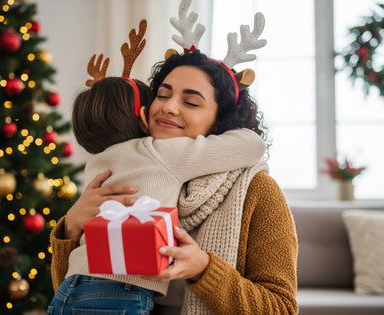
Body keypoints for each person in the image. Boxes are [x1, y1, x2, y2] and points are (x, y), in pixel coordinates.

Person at [50, 50, 298, 314]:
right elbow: (76, 291)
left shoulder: (258, 192)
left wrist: (204, 269)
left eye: (191, 102)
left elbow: (281, 308)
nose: (168, 107)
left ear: (221, 121)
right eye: (163, 95)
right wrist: (71, 230)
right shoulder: (126, 173)